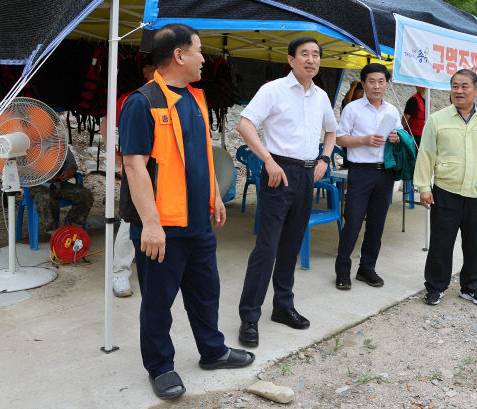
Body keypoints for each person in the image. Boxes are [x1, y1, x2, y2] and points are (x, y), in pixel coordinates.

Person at [119, 24, 254, 401]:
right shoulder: (141, 102)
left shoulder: (196, 97)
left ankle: (213, 351)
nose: (204, 58)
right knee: (159, 303)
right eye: (198, 50)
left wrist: (214, 195)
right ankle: (160, 367)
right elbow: (134, 167)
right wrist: (150, 224)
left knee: (206, 292)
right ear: (179, 55)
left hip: (197, 224)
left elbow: (202, 154)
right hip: (162, 227)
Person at [236, 36, 337, 348]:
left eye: (316, 55)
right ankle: (249, 317)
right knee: (267, 247)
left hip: (308, 174)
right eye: (304, 54)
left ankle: (282, 305)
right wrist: (267, 160)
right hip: (278, 171)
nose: (311, 60)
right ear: (291, 60)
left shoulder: (321, 96)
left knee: (292, 243)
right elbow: (244, 124)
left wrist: (324, 158)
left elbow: (331, 130)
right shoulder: (273, 90)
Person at [413, 69, 477, 307]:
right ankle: (435, 287)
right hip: (446, 191)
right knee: (441, 244)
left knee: (474, 244)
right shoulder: (437, 120)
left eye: (464, 86)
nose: (459, 91)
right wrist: (424, 186)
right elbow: (425, 154)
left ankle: (472, 288)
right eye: (455, 86)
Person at [334, 63, 402, 290]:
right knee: (352, 221)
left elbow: (400, 136)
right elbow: (340, 139)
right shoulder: (352, 109)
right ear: (363, 84)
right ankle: (342, 271)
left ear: (386, 84)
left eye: (381, 81)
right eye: (371, 81)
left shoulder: (392, 111)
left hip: (385, 173)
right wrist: (364, 140)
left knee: (377, 223)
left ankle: (367, 269)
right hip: (361, 171)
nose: (376, 86)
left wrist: (396, 138)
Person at [100, 60, 156, 298]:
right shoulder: (133, 99)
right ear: (145, 71)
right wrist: (116, 157)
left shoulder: (182, 96)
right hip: (137, 171)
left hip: (168, 176)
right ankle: (120, 272)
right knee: (131, 220)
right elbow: (105, 121)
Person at [30, 146, 93, 233]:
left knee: (85, 195)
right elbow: (24, 172)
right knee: (45, 198)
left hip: (59, 183)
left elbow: (71, 165)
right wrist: (44, 177)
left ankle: (71, 228)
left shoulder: (60, 144)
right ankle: (53, 232)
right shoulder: (29, 145)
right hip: (37, 186)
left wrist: (69, 171)